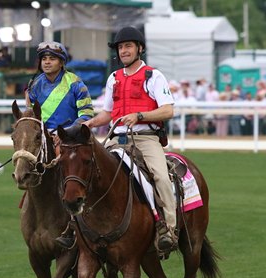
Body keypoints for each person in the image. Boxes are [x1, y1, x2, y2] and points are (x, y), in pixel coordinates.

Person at [83, 26, 177, 256]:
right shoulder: (113, 78)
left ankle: (168, 230)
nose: (123, 51)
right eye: (120, 47)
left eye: (128, 46)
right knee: (84, 171)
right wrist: (91, 124)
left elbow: (167, 111)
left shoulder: (153, 76)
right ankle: (75, 227)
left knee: (161, 177)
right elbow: (108, 113)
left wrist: (140, 116)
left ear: (139, 49)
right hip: (116, 139)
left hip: (145, 139)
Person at [25, 41, 94, 249]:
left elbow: (87, 114)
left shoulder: (76, 83)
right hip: (43, 140)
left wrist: (64, 134)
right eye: (44, 59)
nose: (47, 62)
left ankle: (76, 222)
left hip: (70, 139)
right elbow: (30, 116)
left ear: (61, 62)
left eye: (52, 58)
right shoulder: (35, 84)